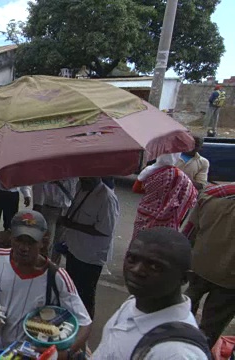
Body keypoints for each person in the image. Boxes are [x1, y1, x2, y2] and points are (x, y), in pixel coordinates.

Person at [0, 210, 92, 354]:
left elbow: (85, 323)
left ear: (43, 242)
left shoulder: (57, 277)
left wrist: (66, 353)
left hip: (27, 354)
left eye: (31, 242)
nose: (24, 248)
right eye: (19, 239)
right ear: (11, 237)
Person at [92, 227, 211, 359]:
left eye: (155, 266)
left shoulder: (177, 353)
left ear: (184, 278)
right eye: (132, 259)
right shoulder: (136, 302)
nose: (137, 270)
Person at [182, 183, 235, 348]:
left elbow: (189, 231)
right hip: (230, 278)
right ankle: (196, 351)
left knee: (189, 299)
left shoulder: (212, 193)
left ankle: (179, 336)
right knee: (212, 325)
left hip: (200, 264)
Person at [61, 177, 119, 319]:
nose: (82, 179)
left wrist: (72, 225)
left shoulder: (107, 198)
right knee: (71, 291)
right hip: (74, 249)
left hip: (90, 257)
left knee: (86, 296)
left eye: (87, 177)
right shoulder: (81, 187)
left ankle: (85, 328)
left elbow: (105, 230)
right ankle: (70, 322)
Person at [132, 153, 197, 240]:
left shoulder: (148, 170)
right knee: (161, 241)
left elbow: (136, 189)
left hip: (145, 213)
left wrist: (153, 193)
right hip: (168, 217)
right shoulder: (179, 175)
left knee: (140, 239)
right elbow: (190, 195)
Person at [33, 179, 78, 261]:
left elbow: (76, 189)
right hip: (49, 209)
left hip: (66, 210)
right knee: (47, 243)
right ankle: (44, 266)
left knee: (59, 244)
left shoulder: (73, 173)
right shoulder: (48, 170)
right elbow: (39, 185)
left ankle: (53, 267)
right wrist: (37, 206)